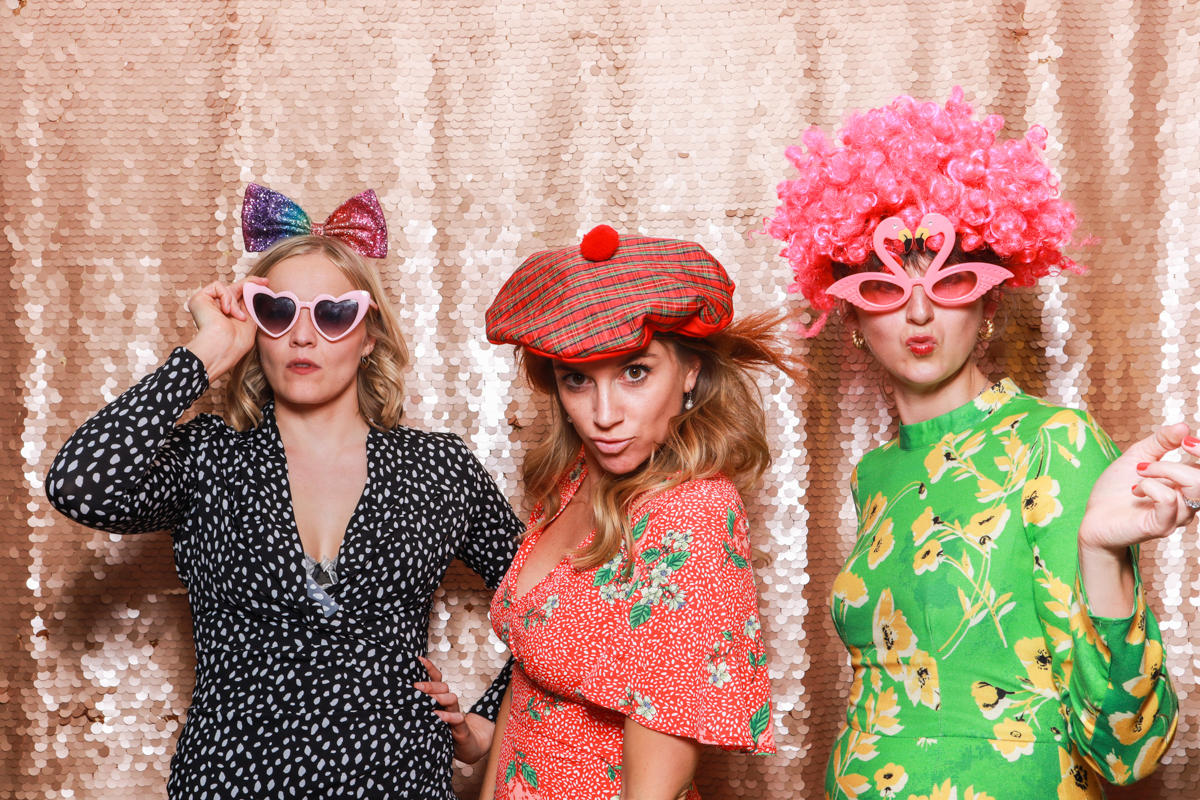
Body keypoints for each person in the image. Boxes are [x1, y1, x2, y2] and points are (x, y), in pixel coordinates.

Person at [765, 88, 1190, 799]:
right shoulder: (877, 474)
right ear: (849, 315)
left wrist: (1099, 551)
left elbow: (1129, 753)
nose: (921, 310)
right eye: (885, 287)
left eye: (952, 277)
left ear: (991, 301)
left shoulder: (1053, 444)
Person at [45, 184, 521, 799]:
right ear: (254, 326)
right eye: (276, 311)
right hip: (231, 782)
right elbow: (82, 485)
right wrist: (203, 355)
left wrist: (485, 726)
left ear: (369, 332)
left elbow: (554, 608)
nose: (302, 336)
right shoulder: (210, 459)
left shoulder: (437, 468)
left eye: (331, 314)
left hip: (397, 782)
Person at [448, 224, 799, 800]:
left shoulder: (693, 515)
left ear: (689, 372)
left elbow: (657, 774)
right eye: (577, 380)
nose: (603, 414)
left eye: (635, 372)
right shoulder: (580, 478)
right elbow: (529, 678)